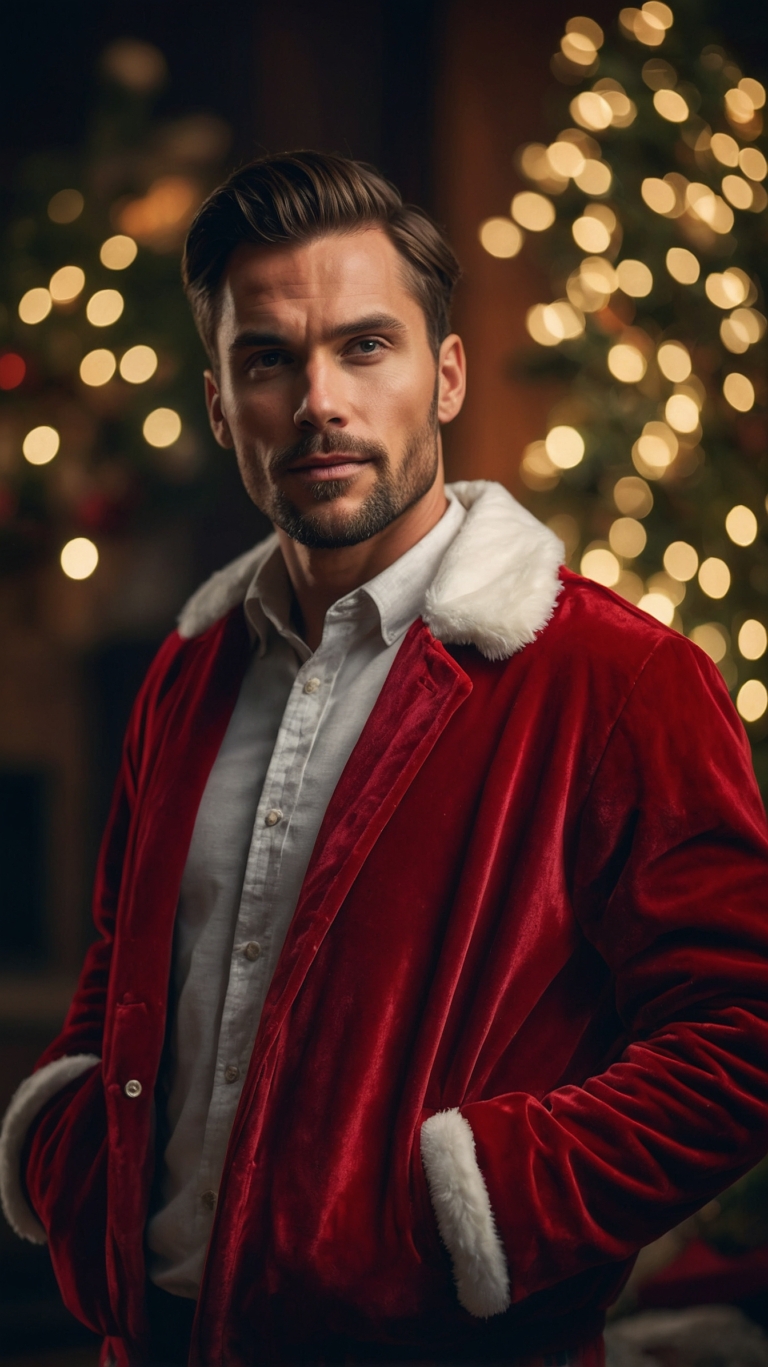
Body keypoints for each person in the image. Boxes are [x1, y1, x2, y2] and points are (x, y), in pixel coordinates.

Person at [2, 151, 768, 1367]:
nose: (319, 400)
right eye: (269, 359)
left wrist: (474, 1209)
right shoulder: (186, 675)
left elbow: (741, 1030)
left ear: (445, 373)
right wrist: (65, 1141)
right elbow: (122, 965)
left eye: (366, 346)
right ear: (219, 404)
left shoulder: (616, 680)